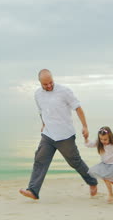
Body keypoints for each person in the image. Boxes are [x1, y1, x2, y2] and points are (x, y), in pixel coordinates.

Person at [19, 69, 98, 200]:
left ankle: (92, 182)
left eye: (51, 82)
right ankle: (33, 190)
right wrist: (43, 123)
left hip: (65, 135)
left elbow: (78, 107)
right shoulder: (37, 94)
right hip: (48, 135)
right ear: (40, 83)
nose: (49, 86)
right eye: (45, 84)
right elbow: (41, 111)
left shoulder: (64, 91)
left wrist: (85, 126)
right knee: (40, 160)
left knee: (75, 162)